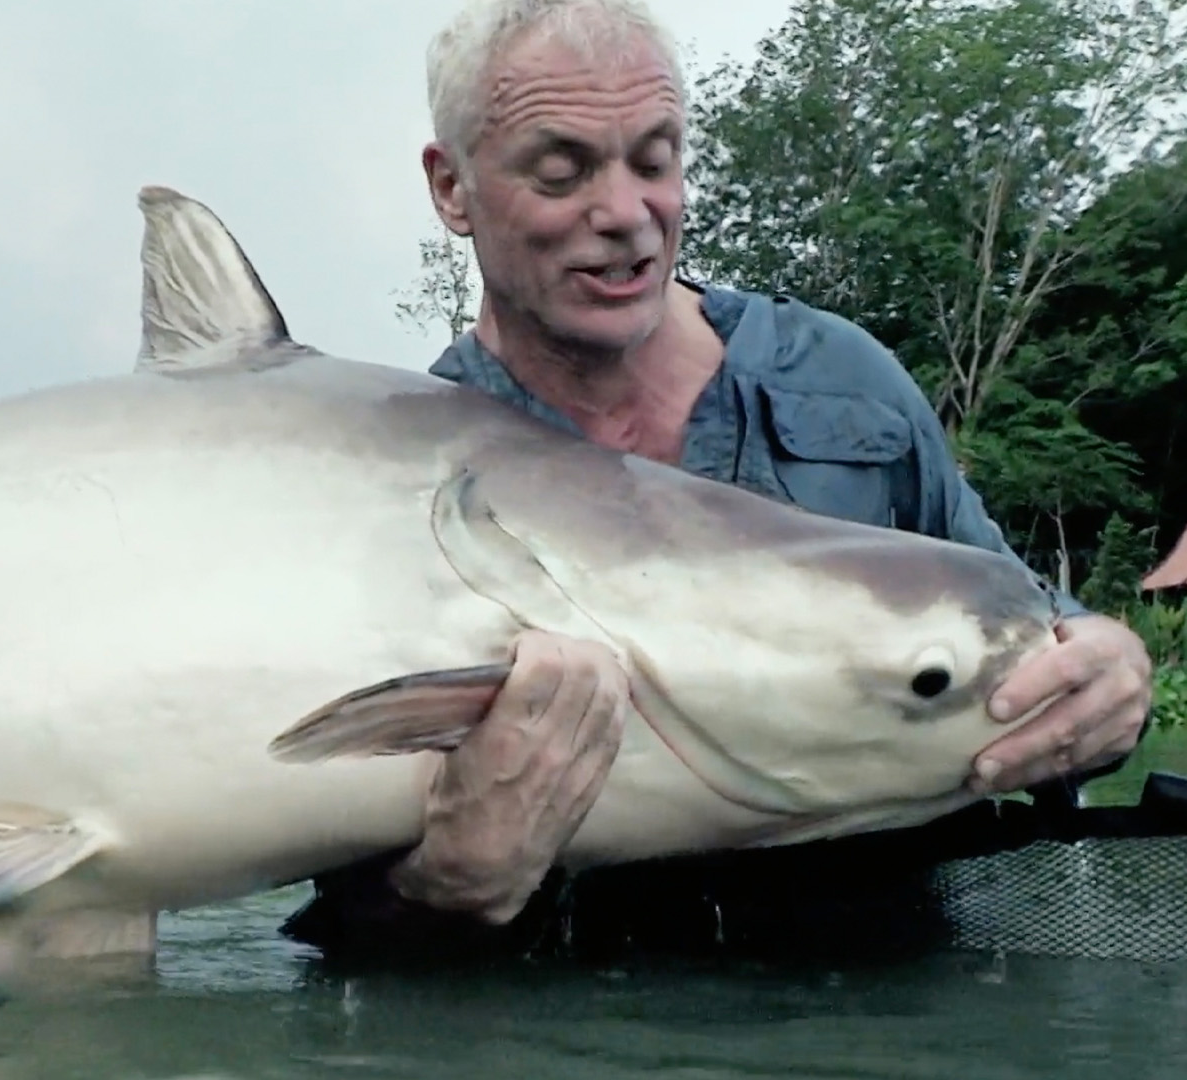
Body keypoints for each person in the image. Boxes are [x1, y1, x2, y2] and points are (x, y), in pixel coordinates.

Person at [279, 0, 1156, 964]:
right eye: (561, 171)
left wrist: (1110, 674)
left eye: (654, 161)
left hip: (892, 992)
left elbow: (1024, 621)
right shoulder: (398, 480)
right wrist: (448, 888)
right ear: (453, 189)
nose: (624, 214)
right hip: (569, 1012)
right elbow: (352, 895)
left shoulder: (841, 377)